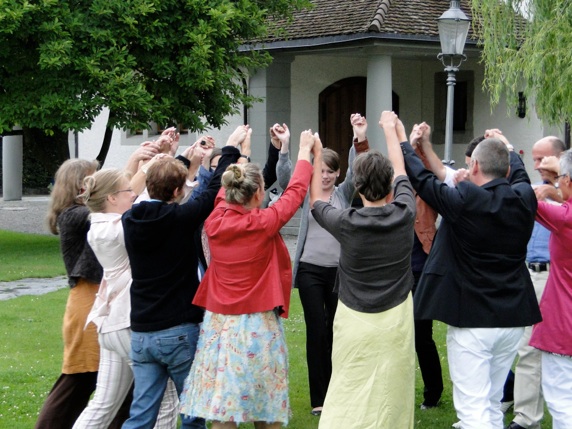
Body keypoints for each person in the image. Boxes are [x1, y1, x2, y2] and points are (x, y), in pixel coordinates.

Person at [403, 126, 542, 429]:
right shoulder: (522, 198)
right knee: (491, 403)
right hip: (512, 317)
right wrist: (506, 144)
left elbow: (423, 180)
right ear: (505, 168)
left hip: (473, 320)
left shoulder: (464, 202)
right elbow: (517, 173)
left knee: (473, 409)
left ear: (475, 166)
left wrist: (404, 142)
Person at [179, 129, 319, 428]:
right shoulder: (263, 222)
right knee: (264, 406)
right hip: (258, 323)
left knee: (224, 405)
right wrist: (304, 152)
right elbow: (294, 193)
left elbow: (223, 191)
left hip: (219, 323)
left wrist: (241, 149)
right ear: (258, 194)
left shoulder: (215, 218)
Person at [120, 126, 245, 429]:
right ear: (178, 192)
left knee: (140, 414)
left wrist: (173, 158)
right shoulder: (180, 219)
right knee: (192, 412)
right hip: (178, 330)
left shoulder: (129, 219)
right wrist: (229, 149)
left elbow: (149, 188)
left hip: (142, 331)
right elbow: (211, 188)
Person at [311, 111, 416, 429]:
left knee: (348, 384)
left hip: (354, 320)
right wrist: (391, 130)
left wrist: (315, 152)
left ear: (355, 186)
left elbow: (317, 199)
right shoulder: (405, 211)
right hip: (396, 321)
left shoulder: (346, 222)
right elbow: (401, 169)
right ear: (389, 187)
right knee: (393, 391)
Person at [72, 167, 179, 429]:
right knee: (166, 398)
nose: (134, 194)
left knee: (104, 404)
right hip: (125, 323)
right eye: (127, 191)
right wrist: (155, 166)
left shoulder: (103, 224)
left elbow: (146, 201)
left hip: (112, 324)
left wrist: (161, 160)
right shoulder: (114, 229)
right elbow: (152, 207)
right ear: (111, 198)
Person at [281, 114, 369, 416]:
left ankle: (337, 390)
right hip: (309, 271)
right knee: (316, 331)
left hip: (339, 273)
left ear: (338, 173)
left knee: (337, 332)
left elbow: (360, 172)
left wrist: (358, 138)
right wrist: (286, 149)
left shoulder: (344, 194)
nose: (326, 176)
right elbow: (285, 179)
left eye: (331, 171)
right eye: (321, 171)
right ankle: (319, 398)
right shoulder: (308, 192)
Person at [37, 159, 129, 429]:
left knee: (116, 383)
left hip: (97, 301)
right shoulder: (75, 216)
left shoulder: (81, 214)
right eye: (95, 176)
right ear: (81, 185)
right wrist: (138, 166)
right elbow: (113, 208)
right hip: (88, 303)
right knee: (79, 379)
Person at [505, 136, 566, 429]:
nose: (537, 165)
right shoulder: (539, 190)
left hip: (554, 277)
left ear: (559, 159)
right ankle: (526, 416)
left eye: (543, 159)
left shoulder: (561, 196)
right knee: (526, 346)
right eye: (534, 159)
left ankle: (529, 417)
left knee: (540, 348)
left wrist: (555, 194)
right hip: (529, 272)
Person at [528, 150, 572, 429]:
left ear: (567, 180)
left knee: (561, 402)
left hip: (563, 325)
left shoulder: (565, 218)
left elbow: (524, 200)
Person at [408, 123, 443, 410]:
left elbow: (434, 173)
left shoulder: (429, 191)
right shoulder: (395, 189)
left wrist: (420, 144)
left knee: (422, 335)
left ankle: (433, 393)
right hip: (395, 272)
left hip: (421, 269)